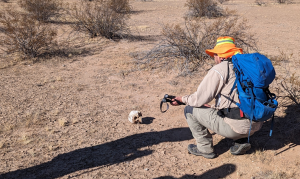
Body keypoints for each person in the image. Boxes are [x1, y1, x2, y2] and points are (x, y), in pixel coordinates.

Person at [170, 36, 263, 159]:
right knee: (239, 108)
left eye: (214, 54)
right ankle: (241, 142)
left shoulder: (220, 69)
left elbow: (199, 99)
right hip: (256, 123)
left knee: (190, 110)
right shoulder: (247, 67)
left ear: (221, 56)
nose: (214, 58)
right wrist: (213, 107)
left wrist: (182, 99)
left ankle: (204, 149)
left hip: (235, 127)